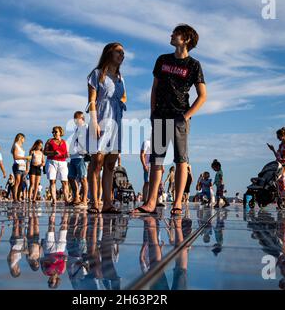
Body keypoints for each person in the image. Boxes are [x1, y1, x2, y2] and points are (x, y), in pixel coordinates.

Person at [133, 24, 206, 216]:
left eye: (177, 33)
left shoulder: (194, 65)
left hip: (180, 116)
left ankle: (178, 203)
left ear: (187, 39)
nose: (172, 35)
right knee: (156, 160)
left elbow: (202, 96)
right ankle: (150, 202)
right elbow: (154, 88)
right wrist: (152, 112)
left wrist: (185, 116)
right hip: (160, 115)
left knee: (181, 160)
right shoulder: (162, 60)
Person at [86, 42, 127, 214]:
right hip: (101, 119)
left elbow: (124, 96)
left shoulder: (120, 78)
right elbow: (92, 100)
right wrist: (94, 121)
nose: (122, 55)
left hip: (116, 121)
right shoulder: (97, 74)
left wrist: (120, 104)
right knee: (97, 162)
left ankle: (108, 203)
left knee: (110, 163)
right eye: (119, 52)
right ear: (109, 53)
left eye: (123, 53)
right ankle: (94, 202)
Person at [44, 126, 70, 205]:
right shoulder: (49, 141)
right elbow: (44, 152)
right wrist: (53, 153)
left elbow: (67, 153)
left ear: (60, 132)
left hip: (62, 162)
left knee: (65, 181)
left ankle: (66, 199)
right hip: (52, 162)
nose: (54, 133)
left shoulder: (65, 142)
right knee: (52, 181)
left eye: (56, 131)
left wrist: (67, 155)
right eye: (53, 132)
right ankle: (54, 200)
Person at [68, 111, 89, 206]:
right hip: (73, 156)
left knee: (83, 178)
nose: (75, 120)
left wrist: (86, 150)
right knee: (71, 178)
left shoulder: (86, 127)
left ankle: (84, 200)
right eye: (74, 119)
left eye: (77, 118)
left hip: (81, 157)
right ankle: (76, 197)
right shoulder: (77, 129)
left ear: (82, 118)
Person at [10, 133, 31, 203]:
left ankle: (18, 197)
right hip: (17, 165)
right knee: (17, 182)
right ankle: (15, 198)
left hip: (22, 166)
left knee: (21, 183)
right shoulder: (16, 145)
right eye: (23, 138)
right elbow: (15, 157)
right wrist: (25, 157)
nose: (24, 140)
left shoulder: (21, 146)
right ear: (20, 138)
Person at [28, 140, 45, 204]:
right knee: (32, 183)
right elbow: (28, 160)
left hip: (39, 168)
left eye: (41, 146)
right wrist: (27, 168)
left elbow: (43, 161)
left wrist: (42, 164)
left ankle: (34, 199)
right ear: (36, 145)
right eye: (39, 145)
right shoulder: (32, 152)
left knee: (37, 185)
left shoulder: (42, 153)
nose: (40, 147)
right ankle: (29, 198)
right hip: (33, 167)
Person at [140, 138, 152, 203]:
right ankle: (145, 200)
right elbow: (142, 154)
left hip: (155, 165)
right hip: (148, 164)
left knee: (156, 182)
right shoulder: (146, 142)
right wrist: (144, 165)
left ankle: (154, 200)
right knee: (147, 182)